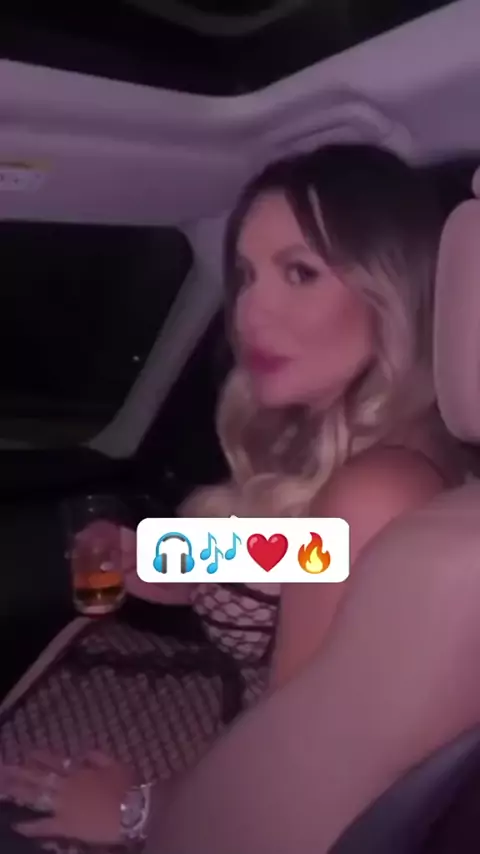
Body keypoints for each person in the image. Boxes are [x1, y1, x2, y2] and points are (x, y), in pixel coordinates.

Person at [0, 143, 464, 850]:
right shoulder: (379, 454)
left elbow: (293, 776)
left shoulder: (375, 493)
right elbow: (297, 560)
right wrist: (159, 558)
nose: (249, 311)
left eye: (300, 273)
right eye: (246, 276)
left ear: (392, 292)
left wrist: (134, 811)